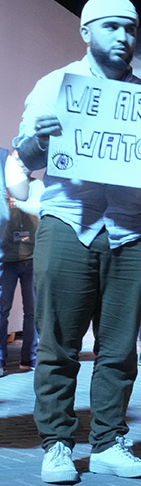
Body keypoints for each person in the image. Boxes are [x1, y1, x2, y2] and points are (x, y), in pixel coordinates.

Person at [14, 0, 141, 484]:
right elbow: (27, 157)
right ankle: (57, 444)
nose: (124, 38)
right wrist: (41, 139)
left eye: (131, 29)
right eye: (113, 28)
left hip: (131, 231)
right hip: (68, 225)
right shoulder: (54, 86)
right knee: (58, 344)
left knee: (119, 349)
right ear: (86, 32)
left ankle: (108, 443)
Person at [0, 156, 40, 375]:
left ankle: (29, 358)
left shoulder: (38, 186)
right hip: (6, 259)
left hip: (32, 258)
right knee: (1, 311)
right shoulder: (3, 188)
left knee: (33, 312)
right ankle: (0, 359)